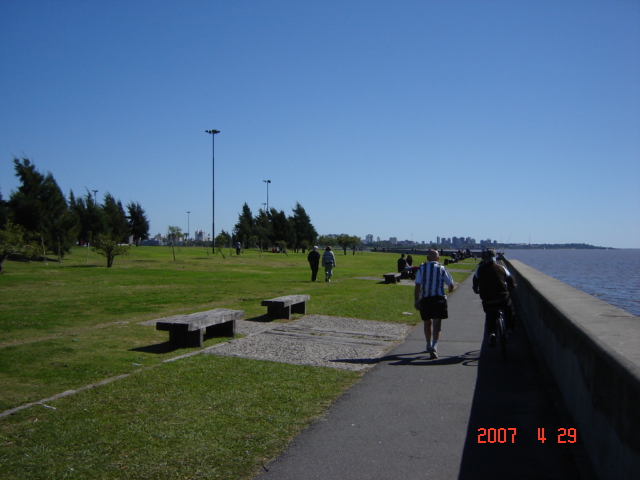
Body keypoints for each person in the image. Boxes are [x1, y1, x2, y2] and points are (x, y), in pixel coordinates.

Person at [414, 250, 455, 359]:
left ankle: (428, 344)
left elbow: (418, 285)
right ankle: (434, 346)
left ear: (427, 258)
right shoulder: (441, 269)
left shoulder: (421, 269)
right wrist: (450, 289)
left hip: (425, 299)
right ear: (438, 258)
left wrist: (416, 300)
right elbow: (450, 283)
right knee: (437, 324)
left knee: (427, 323)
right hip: (439, 299)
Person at [472, 248, 517, 348]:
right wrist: (513, 286)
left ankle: (492, 333)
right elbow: (511, 279)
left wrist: (475, 290)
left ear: (485, 258)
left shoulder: (480, 269)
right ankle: (510, 328)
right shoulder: (501, 268)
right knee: (509, 309)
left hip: (487, 300)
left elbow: (475, 281)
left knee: (490, 315)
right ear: (495, 257)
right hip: (502, 298)